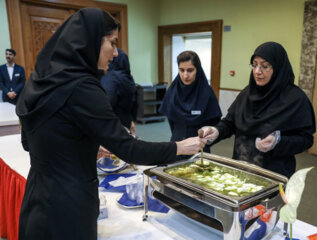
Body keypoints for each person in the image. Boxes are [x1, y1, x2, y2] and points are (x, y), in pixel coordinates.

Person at [16, 8, 206, 240]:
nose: (116, 53)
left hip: (36, 199)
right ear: (92, 41)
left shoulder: (39, 79)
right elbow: (129, 149)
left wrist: (83, 148)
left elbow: (30, 142)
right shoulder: (83, 87)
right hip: (69, 207)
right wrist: (180, 147)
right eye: (112, 43)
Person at [200, 42, 316, 178]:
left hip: (274, 173)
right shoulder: (247, 93)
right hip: (241, 167)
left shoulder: (295, 99)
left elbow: (306, 140)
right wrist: (217, 131)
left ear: (278, 67)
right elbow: (230, 123)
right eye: (254, 65)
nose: (257, 71)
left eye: (265, 66)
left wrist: (278, 142)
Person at [159, 51, 222, 153]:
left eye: (190, 70)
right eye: (181, 70)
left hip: (199, 146)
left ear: (198, 70)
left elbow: (214, 123)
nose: (185, 75)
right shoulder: (172, 90)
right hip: (177, 144)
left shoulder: (206, 92)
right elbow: (171, 120)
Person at [101, 48, 137, 134]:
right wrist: (131, 119)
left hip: (113, 124)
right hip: (126, 120)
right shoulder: (129, 78)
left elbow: (106, 104)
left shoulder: (111, 78)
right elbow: (135, 102)